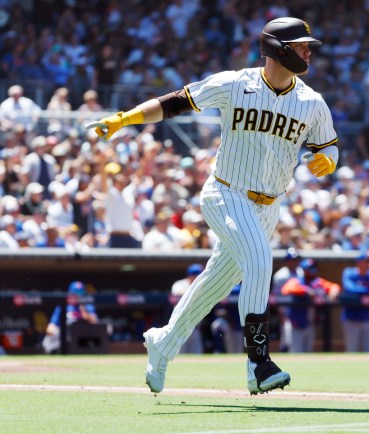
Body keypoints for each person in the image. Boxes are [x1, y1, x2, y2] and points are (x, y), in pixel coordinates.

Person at [86, 17, 338, 395]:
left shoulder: (311, 102)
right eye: (301, 45)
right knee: (259, 260)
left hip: (268, 206)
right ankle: (258, 361)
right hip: (226, 193)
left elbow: (327, 145)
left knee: (212, 285)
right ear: (277, 49)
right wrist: (126, 119)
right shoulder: (235, 83)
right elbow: (176, 102)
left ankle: (164, 341)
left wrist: (329, 160)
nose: (308, 51)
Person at [280, 258, 341, 352]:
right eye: (309, 269)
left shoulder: (317, 282)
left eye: (313, 268)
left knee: (308, 352)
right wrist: (306, 291)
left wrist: (333, 293)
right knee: (296, 352)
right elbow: (286, 289)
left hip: (310, 323)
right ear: (304, 270)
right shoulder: (297, 281)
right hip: (296, 323)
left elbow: (334, 287)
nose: (312, 271)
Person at [340, 252, 369, 352]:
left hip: (366, 317)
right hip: (350, 317)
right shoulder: (349, 273)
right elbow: (350, 289)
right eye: (364, 262)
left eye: (368, 262)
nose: (367, 264)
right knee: (352, 349)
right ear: (358, 263)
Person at [42, 281, 99, 354]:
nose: (78, 295)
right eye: (76, 293)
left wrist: (85, 313)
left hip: (83, 338)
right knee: (50, 338)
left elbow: (96, 322)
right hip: (66, 337)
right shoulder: (63, 306)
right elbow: (50, 328)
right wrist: (59, 331)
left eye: (80, 292)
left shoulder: (88, 306)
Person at [170, 263, 206, 354]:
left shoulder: (202, 285)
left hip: (195, 327)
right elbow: (177, 296)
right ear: (191, 276)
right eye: (197, 276)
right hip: (180, 327)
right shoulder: (180, 284)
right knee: (180, 355)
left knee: (197, 355)